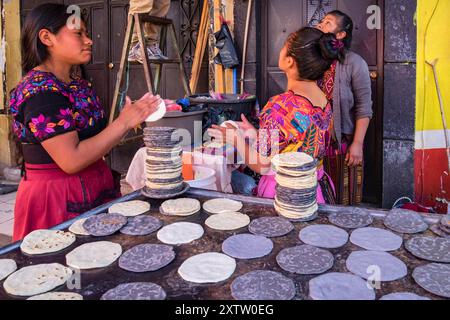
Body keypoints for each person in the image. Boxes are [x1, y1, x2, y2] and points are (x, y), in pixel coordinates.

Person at [10, 3, 161, 241]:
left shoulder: (76, 85)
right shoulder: (40, 91)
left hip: (91, 188)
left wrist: (129, 117)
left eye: (87, 33)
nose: (88, 40)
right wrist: (122, 123)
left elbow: (95, 140)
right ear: (47, 37)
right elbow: (71, 160)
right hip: (58, 199)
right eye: (78, 34)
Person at [208, 27, 343, 204]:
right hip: (315, 188)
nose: (280, 50)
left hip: (285, 193)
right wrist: (257, 134)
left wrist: (236, 139)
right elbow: (295, 143)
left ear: (289, 61)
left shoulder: (279, 106)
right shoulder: (323, 99)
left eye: (283, 47)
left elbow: (263, 165)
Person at [316, 10, 373, 205]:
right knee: (317, 197)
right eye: (322, 21)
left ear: (340, 34)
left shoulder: (355, 63)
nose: (321, 25)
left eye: (328, 22)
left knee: (344, 199)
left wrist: (357, 144)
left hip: (344, 144)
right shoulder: (315, 61)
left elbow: (364, 107)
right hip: (315, 144)